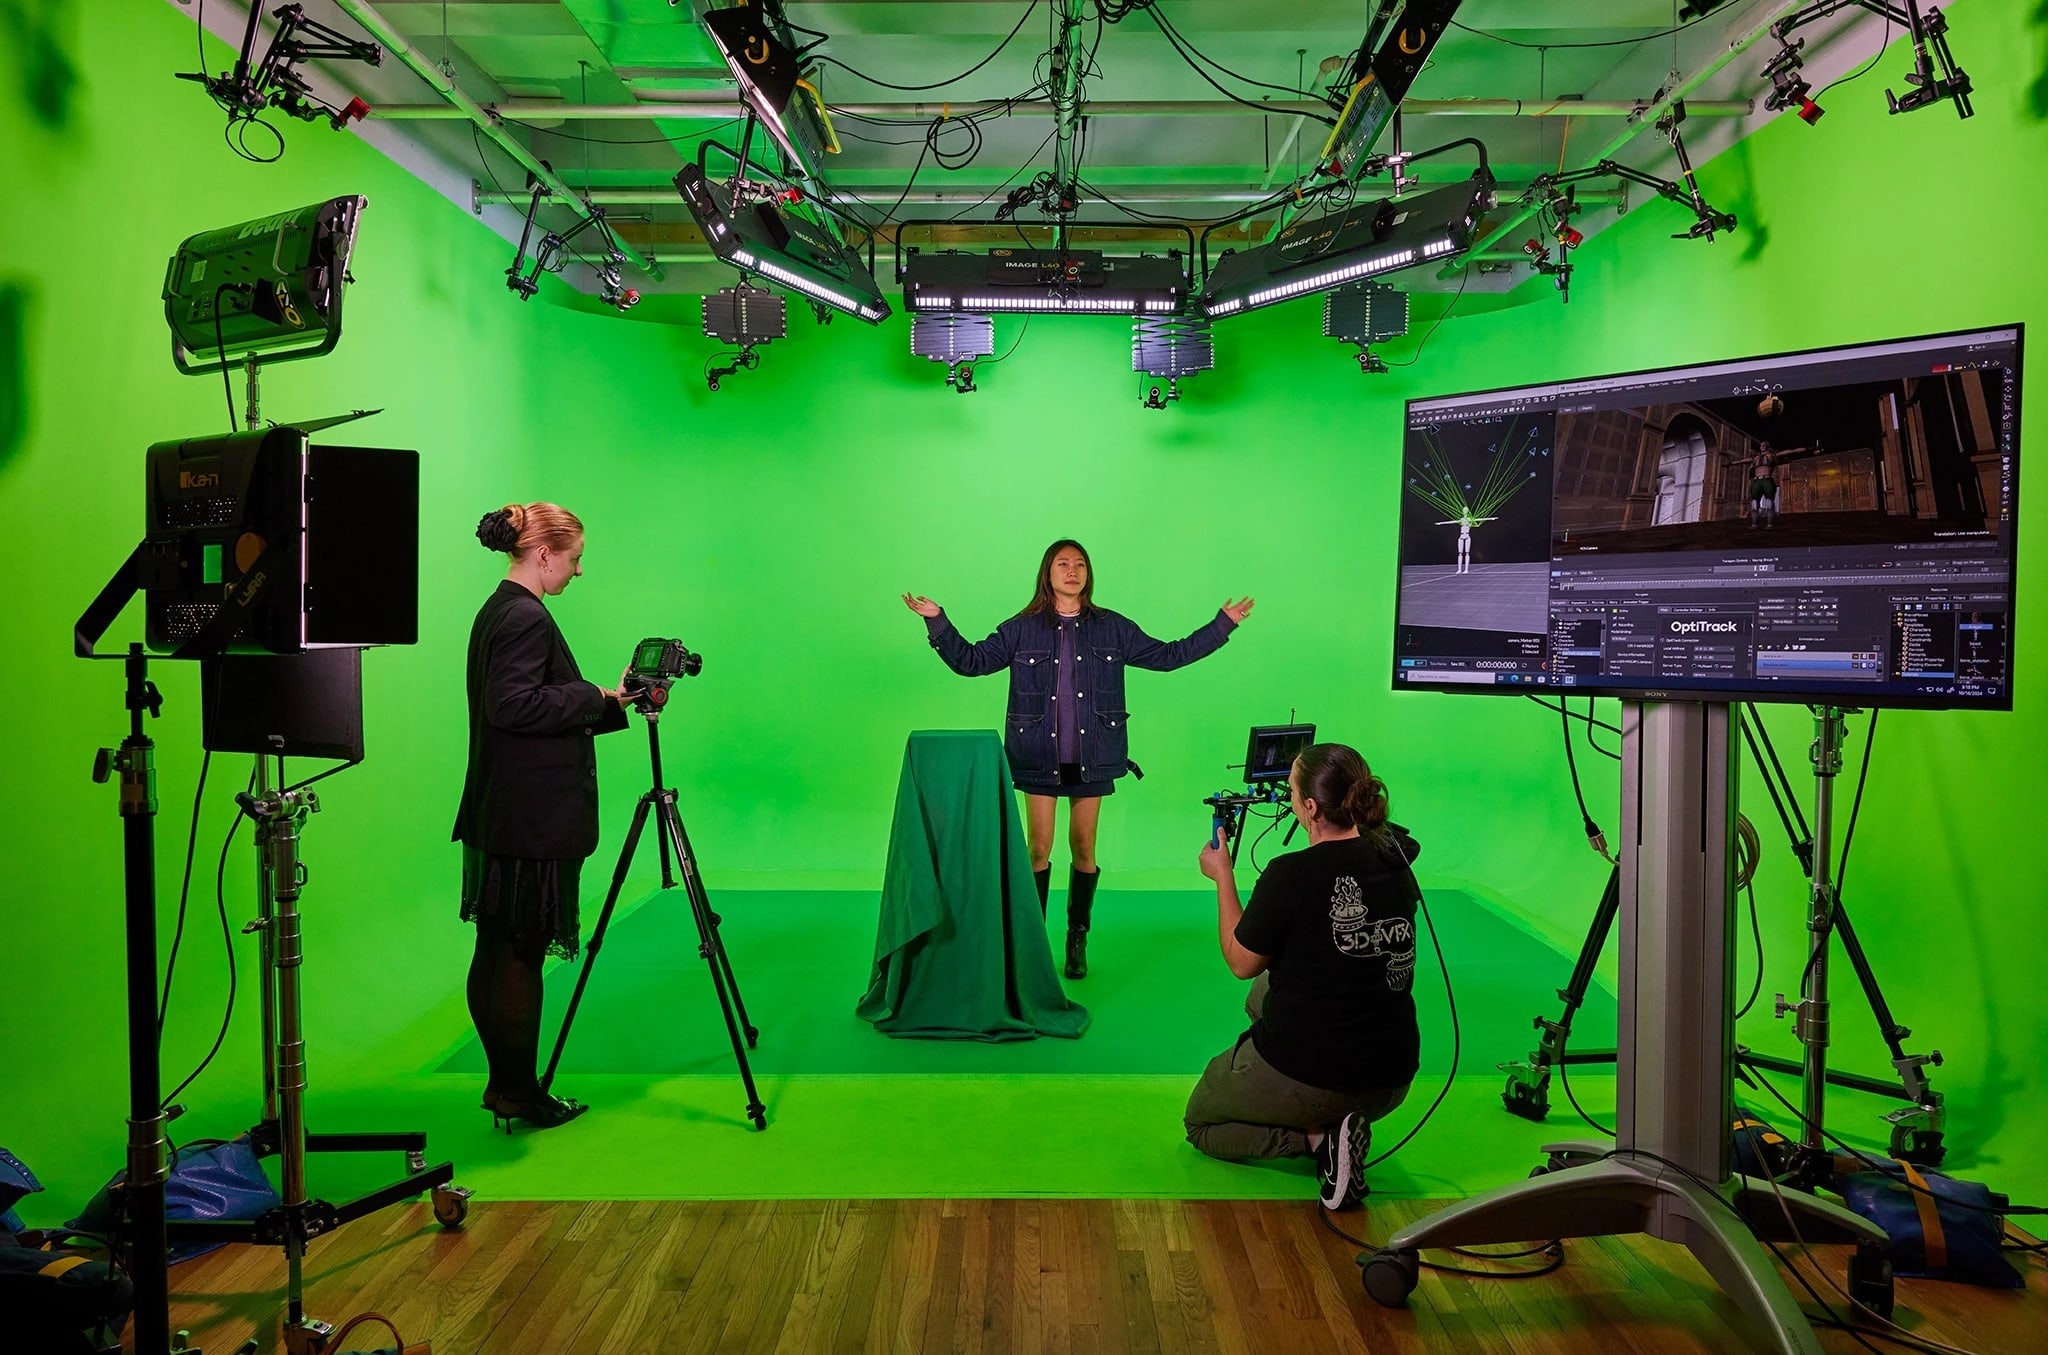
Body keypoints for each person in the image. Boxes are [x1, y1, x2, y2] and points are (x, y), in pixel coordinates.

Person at [904, 539, 1253, 979]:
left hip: (1093, 758)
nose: (1072, 570)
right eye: (1062, 563)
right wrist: (938, 621)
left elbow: (1169, 656)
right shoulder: (1021, 628)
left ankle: (1077, 937)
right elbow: (972, 662)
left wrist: (1223, 624)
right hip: (1038, 757)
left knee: (1084, 847)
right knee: (1037, 849)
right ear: (1047, 573)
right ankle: (1030, 941)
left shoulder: (1113, 627)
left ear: (1088, 574)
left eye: (1080, 564)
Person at [452, 502, 630, 1131]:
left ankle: (505, 1085)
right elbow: (514, 705)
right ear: (544, 553)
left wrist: (609, 702)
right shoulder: (526, 617)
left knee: (496, 948)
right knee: (521, 954)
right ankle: (521, 1092)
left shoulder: (498, 609)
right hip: (532, 819)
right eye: (574, 559)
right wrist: (591, 695)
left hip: (501, 810)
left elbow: (523, 706)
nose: (578, 572)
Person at [1185, 743, 1421, 1210]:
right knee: (1265, 992)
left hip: (1319, 1080)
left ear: (1309, 807)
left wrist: (1223, 875)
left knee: (1201, 1125)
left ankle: (1320, 1142)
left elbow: (1240, 961)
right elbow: (1370, 838)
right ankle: (1332, 1124)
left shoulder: (1290, 873)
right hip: (1393, 1077)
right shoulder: (1398, 854)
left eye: (1291, 791)